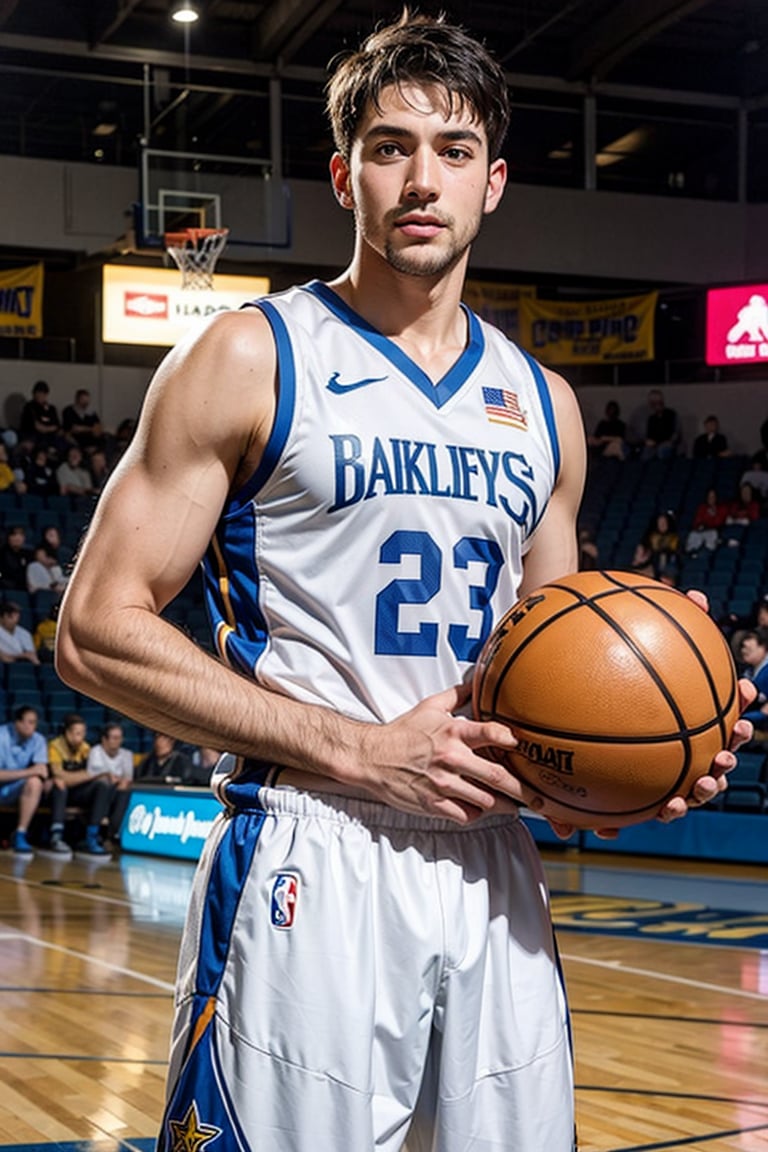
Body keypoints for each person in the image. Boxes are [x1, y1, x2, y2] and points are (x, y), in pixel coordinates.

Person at [55, 14, 754, 1152]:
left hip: (490, 866)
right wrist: (363, 748)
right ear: (344, 175)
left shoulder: (544, 408)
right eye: (390, 148)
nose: (422, 179)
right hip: (312, 844)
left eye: (455, 150)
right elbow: (92, 631)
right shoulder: (251, 354)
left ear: (496, 183)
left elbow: (550, 684)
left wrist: (627, 773)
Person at [48, 713, 125, 858]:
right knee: (60, 785)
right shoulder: (55, 746)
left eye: (83, 733)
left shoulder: (85, 748)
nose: (81, 737)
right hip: (56, 793)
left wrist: (85, 776)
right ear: (67, 733)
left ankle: (92, 836)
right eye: (77, 733)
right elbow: (60, 776)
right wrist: (87, 775)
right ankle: (56, 836)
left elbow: (91, 775)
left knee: (102, 786)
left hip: (77, 791)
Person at [0, 705, 51, 858]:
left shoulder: (38, 740)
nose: (31, 727)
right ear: (18, 722)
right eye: (28, 722)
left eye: (34, 723)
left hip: (15, 788)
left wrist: (43, 778)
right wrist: (29, 772)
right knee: (32, 776)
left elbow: (42, 771)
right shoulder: (1, 736)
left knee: (35, 783)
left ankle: (20, 833)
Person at [84, 721, 134, 846]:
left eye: (120, 738)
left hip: (117, 790)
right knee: (104, 786)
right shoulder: (95, 751)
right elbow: (93, 776)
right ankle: (94, 834)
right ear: (104, 739)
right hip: (95, 790)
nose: (118, 741)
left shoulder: (127, 754)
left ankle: (113, 835)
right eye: (114, 738)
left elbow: (127, 777)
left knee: (124, 792)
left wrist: (119, 781)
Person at [18, 380, 63, 454]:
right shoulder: (29, 407)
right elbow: (39, 427)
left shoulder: (51, 408)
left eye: (43, 394)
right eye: (38, 393)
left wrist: (49, 429)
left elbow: (57, 427)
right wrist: (50, 428)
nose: (40, 396)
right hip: (33, 437)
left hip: (50, 437)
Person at [738, 630, 768, 734]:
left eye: (749, 649)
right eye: (743, 648)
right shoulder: (747, 672)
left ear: (763, 648)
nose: (743, 650)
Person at [684, 487, 728, 554]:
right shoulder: (702, 508)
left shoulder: (721, 508)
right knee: (693, 535)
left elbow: (719, 522)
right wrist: (701, 525)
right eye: (709, 496)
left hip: (713, 531)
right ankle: (690, 554)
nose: (711, 498)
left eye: (713, 496)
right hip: (700, 531)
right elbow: (697, 521)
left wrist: (713, 515)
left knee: (712, 536)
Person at [62, 388, 104, 454]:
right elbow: (74, 428)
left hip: (91, 440)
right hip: (75, 440)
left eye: (87, 400)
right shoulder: (69, 411)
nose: (86, 402)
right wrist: (91, 429)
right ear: (77, 399)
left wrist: (89, 429)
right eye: (83, 400)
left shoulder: (91, 413)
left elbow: (98, 428)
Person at [643, 388, 680, 459]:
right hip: (655, 444)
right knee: (646, 451)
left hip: (668, 443)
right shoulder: (652, 418)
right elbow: (649, 435)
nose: (656, 406)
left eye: (657, 402)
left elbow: (676, 433)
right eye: (652, 403)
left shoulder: (671, 414)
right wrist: (648, 441)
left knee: (662, 449)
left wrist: (670, 441)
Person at [0, 599, 39, 664]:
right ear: (1, 617)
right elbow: (4, 658)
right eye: (10, 617)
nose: (14, 620)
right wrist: (23, 656)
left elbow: (33, 657)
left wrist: (18, 657)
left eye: (16, 617)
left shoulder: (25, 634)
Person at [0, 524, 33, 590]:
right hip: (6, 586)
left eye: (21, 535)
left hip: (25, 588)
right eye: (14, 535)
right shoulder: (2, 553)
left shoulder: (29, 554)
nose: (18, 538)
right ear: (8, 537)